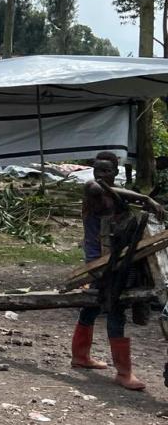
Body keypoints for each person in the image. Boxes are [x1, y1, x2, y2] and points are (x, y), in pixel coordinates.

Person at [71, 151, 165, 391]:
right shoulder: (93, 189)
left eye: (106, 171)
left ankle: (80, 357)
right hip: (100, 262)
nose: (101, 175)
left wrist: (146, 202)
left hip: (114, 259)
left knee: (93, 304)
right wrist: (146, 198)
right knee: (115, 308)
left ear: (116, 172)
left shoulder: (115, 197)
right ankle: (124, 373)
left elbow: (126, 202)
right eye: (97, 170)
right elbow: (101, 187)